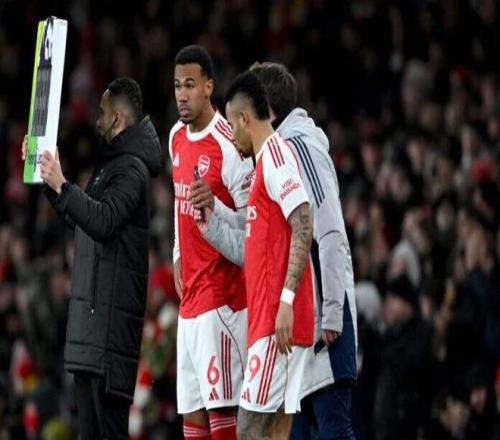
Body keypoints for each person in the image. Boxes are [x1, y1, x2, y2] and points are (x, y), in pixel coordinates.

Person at [192, 62, 358, 439]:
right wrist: (214, 219)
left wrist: (332, 314)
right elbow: (257, 250)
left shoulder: (298, 149)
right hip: (287, 323)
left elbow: (328, 227)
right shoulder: (269, 161)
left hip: (315, 319)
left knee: (330, 428)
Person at [22, 77, 161, 439]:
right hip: (91, 333)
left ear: (117, 118)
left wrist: (63, 184)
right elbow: (81, 220)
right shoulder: (109, 167)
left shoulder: (132, 170)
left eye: (102, 112)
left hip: (109, 338)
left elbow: (103, 221)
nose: (97, 119)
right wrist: (49, 179)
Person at [211, 70, 314, 438]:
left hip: (276, 323)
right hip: (272, 320)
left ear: (244, 118)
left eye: (230, 125)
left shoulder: (275, 156)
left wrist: (286, 301)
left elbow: (303, 221)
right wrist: (215, 211)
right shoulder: (265, 163)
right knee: (274, 433)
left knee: (249, 428)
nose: (231, 135)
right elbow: (261, 238)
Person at [169, 45, 253, 440]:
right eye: (177, 86)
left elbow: (253, 223)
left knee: (221, 411)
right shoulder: (175, 137)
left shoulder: (229, 143)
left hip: (222, 297)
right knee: (192, 416)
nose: (182, 95)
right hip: (189, 298)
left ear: (208, 87)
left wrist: (216, 207)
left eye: (190, 85)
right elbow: (178, 203)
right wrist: (176, 253)